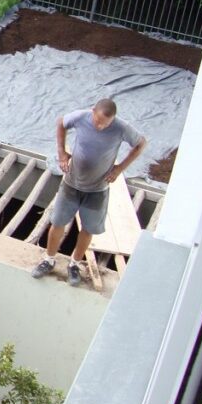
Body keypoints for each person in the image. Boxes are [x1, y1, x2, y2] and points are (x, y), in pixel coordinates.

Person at [31, 98, 147, 286]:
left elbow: (141, 143)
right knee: (58, 222)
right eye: (98, 121)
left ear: (113, 119)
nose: (100, 126)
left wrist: (120, 168)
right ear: (93, 111)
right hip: (72, 183)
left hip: (97, 189)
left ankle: (74, 264)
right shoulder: (81, 117)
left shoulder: (121, 128)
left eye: (105, 124)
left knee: (88, 228)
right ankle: (48, 259)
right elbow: (61, 122)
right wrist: (61, 152)